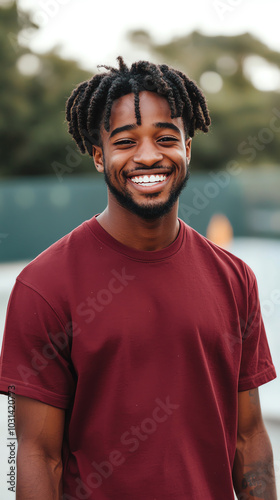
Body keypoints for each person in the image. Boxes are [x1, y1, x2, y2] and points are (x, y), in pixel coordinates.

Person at [0, 57, 277, 500]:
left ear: (188, 149)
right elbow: (36, 456)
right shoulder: (44, 287)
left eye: (166, 138)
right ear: (98, 155)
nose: (148, 155)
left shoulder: (235, 278)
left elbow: (249, 439)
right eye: (125, 141)